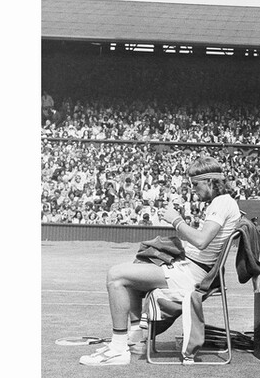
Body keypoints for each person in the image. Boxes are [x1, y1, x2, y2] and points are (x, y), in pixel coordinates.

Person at [79, 156, 242, 366]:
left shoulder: (222, 203)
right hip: (189, 267)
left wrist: (176, 220)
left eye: (195, 184)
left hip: (192, 274)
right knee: (136, 267)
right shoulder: (222, 202)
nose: (193, 190)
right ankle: (135, 336)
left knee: (116, 275)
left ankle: (119, 349)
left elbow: (202, 241)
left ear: (210, 181)